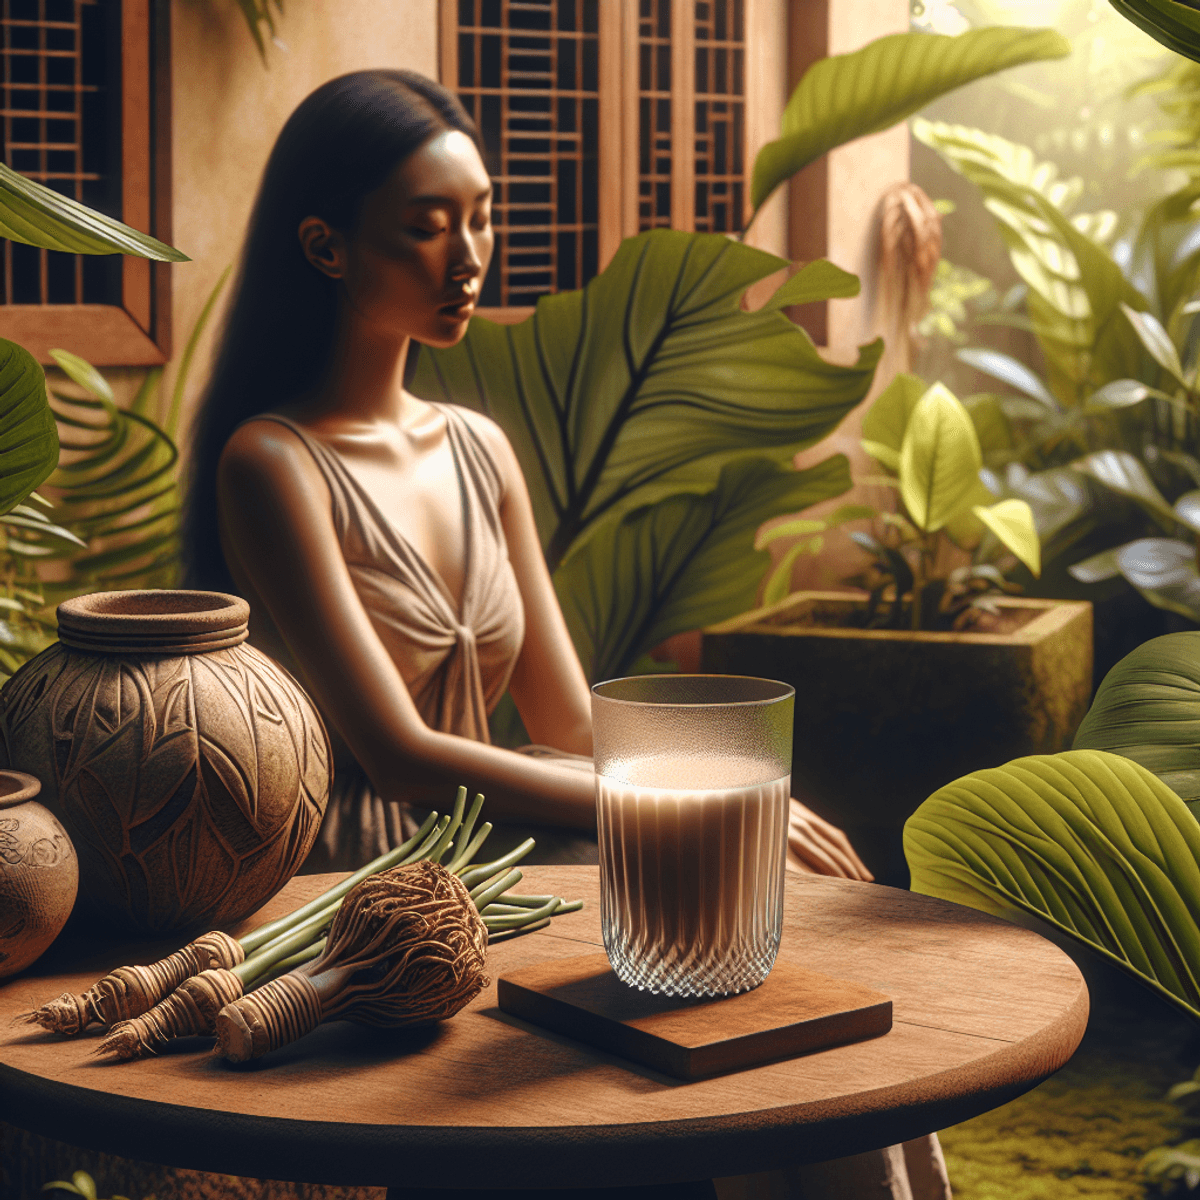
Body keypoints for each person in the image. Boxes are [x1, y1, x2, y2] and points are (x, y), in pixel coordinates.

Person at [181, 68, 871, 883]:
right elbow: (401, 759)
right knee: (717, 850)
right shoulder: (273, 463)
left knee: (754, 846)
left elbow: (573, 725)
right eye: (428, 226)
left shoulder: (480, 447)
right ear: (326, 246)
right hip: (365, 864)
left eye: (481, 218)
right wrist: (683, 802)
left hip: (490, 826)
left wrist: (725, 784)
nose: (468, 258)